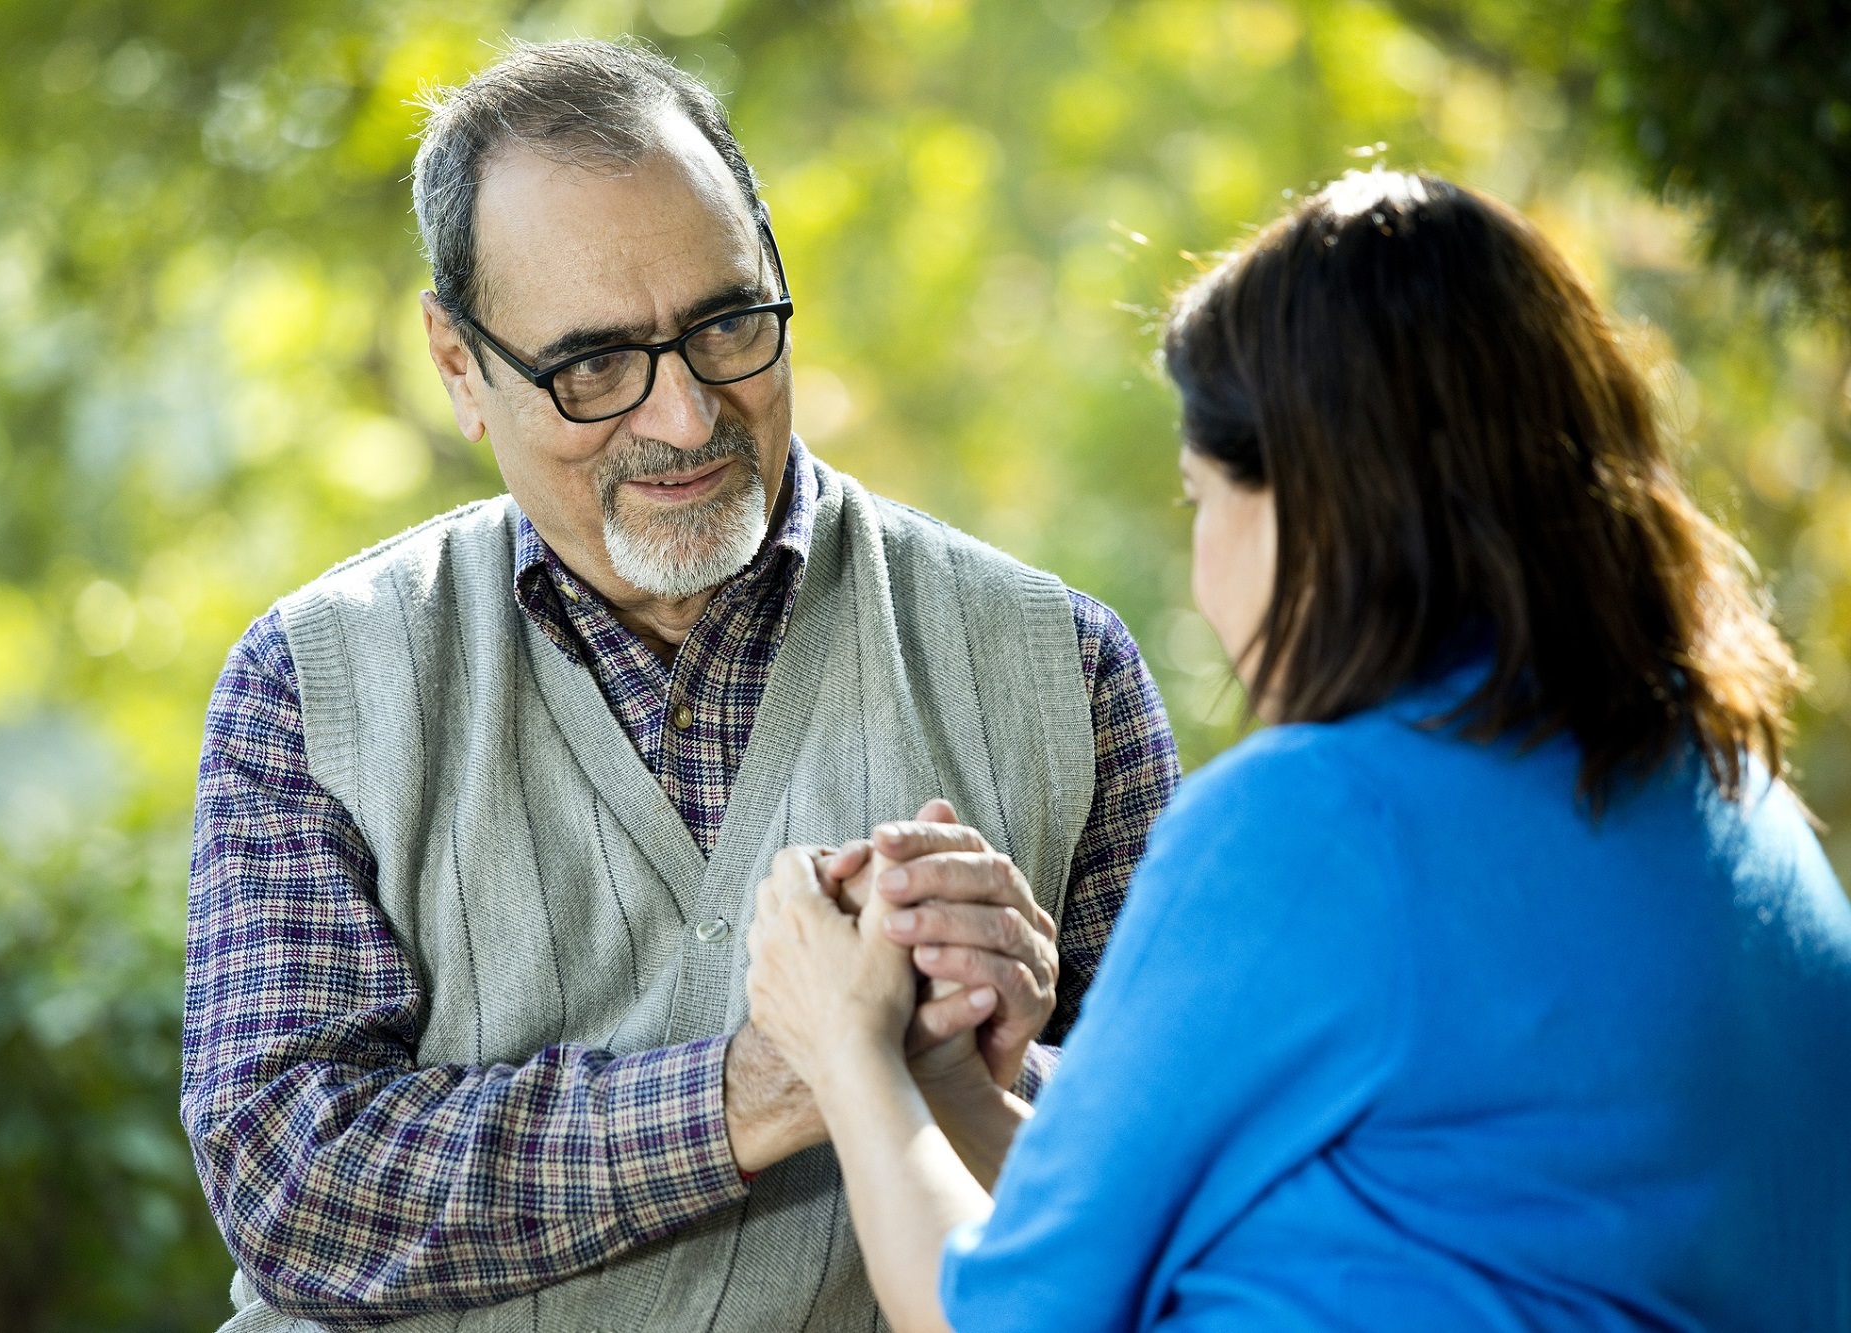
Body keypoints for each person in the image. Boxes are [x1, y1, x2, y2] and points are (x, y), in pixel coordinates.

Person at [180, 37, 1179, 1333]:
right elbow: (293, 1183)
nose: (686, 419)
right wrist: (770, 1083)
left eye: (725, 326)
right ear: (457, 364)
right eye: (593, 366)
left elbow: (1181, 1180)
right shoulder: (308, 687)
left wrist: (978, 1062)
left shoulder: (1062, 666)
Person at [747, 169, 1851, 1333]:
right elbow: (1106, 1242)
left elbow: (996, 1319)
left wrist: (842, 1042)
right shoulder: (1730, 792)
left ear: (1312, 509)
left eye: (1199, 501)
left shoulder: (1320, 822)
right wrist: (941, 1085)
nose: (1200, 572)